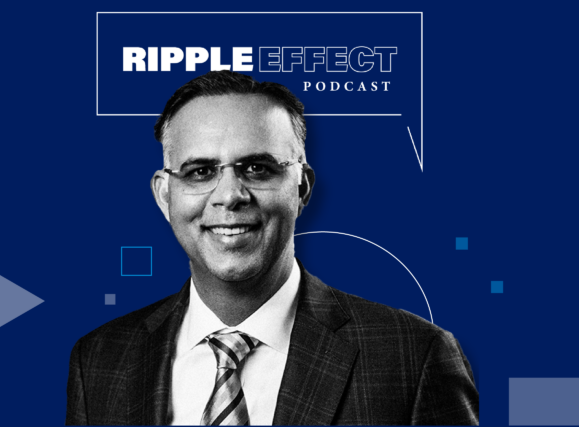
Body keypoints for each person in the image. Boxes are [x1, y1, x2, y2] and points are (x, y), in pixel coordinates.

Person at [66, 71, 479, 426]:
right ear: (164, 195)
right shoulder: (100, 358)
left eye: (257, 168)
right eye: (201, 171)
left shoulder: (415, 357)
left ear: (301, 188)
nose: (229, 196)